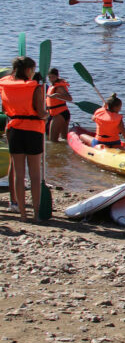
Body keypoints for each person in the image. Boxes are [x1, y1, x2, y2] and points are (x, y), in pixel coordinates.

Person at [0, 56, 45, 220]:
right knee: (34, 175)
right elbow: (40, 112)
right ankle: (36, 213)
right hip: (33, 131)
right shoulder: (35, 88)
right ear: (28, 70)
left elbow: (5, 108)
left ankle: (23, 214)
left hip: (14, 131)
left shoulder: (4, 85)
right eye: (33, 69)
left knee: (19, 174)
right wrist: (47, 114)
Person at [45, 68, 72, 142]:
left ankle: (56, 153)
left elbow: (69, 98)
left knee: (53, 141)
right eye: (49, 77)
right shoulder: (52, 86)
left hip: (59, 114)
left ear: (57, 76)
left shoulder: (59, 87)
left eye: (53, 77)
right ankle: (64, 152)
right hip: (61, 113)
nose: (51, 79)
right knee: (64, 139)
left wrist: (57, 95)